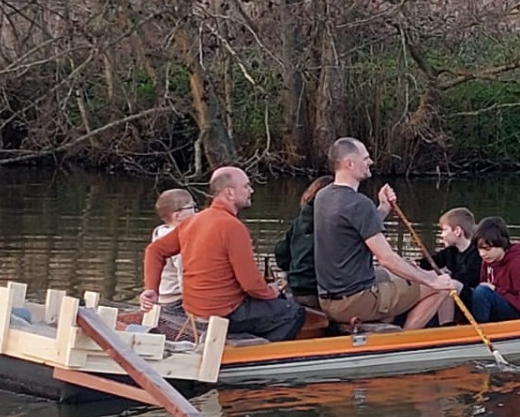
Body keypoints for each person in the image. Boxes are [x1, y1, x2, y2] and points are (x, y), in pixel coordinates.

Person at [142, 166, 306, 342]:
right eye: (246, 186)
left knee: (271, 305)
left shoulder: (194, 221)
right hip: (225, 312)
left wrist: (151, 289)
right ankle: (260, 355)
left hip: (193, 311)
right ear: (229, 193)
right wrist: (271, 292)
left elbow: (155, 250)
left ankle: (243, 341)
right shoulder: (232, 227)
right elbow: (250, 284)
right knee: (293, 311)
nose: (251, 190)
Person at [313, 137, 458, 329]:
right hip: (355, 301)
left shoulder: (323, 196)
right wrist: (433, 280)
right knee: (444, 287)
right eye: (365, 159)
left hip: (329, 298)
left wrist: (382, 209)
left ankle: (394, 317)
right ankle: (403, 342)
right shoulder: (359, 204)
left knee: (407, 270)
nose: (370, 162)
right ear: (349, 163)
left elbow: (357, 233)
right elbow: (386, 258)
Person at [272, 175, 333, 311]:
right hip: (319, 293)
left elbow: (281, 253)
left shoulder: (298, 223)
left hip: (296, 289)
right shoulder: (334, 224)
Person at [469, 216, 520, 323]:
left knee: (482, 292)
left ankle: (480, 332)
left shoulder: (518, 265)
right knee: (463, 290)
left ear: (502, 243)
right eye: (480, 248)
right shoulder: (488, 260)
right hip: (501, 302)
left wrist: (496, 290)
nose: (482, 254)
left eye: (488, 249)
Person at [147, 188, 198, 337]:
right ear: (177, 215)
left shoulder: (160, 231)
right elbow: (185, 276)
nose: (196, 212)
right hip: (176, 303)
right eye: (192, 208)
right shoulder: (180, 242)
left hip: (164, 299)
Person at [418, 206, 480, 324]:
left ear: (457, 231)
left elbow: (470, 278)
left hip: (471, 297)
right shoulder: (451, 251)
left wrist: (441, 278)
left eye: (445, 230)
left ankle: (447, 325)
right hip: (456, 292)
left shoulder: (477, 254)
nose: (442, 235)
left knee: (447, 285)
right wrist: (416, 264)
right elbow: (433, 261)